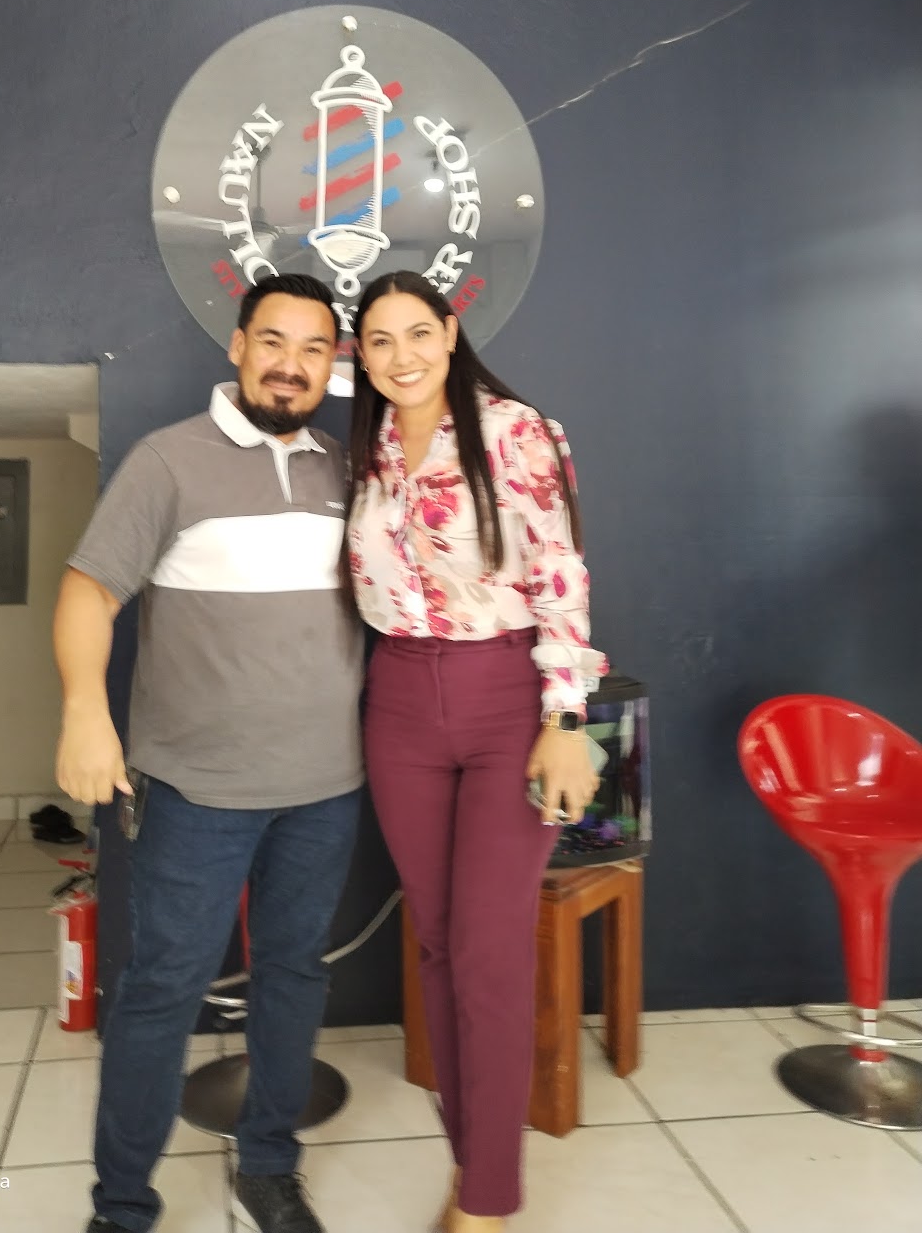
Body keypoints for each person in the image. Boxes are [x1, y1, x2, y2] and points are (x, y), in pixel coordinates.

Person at [53, 273, 364, 1233]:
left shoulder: (348, 470)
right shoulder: (168, 460)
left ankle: (268, 1167)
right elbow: (87, 594)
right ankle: (122, 1207)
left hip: (326, 788)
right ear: (237, 347)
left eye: (313, 349)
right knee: (160, 993)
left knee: (294, 975)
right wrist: (84, 712)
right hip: (196, 792)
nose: (290, 365)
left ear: (333, 365)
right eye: (273, 341)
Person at [345, 270, 607, 1233]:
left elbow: (560, 572)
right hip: (399, 700)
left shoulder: (514, 430)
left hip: (507, 698)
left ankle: (487, 1203)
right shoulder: (367, 450)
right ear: (360, 357)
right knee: (438, 942)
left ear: (451, 334)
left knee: (490, 954)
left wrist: (566, 722)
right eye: (380, 340)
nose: (402, 355)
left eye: (419, 332)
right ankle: (472, 1161)